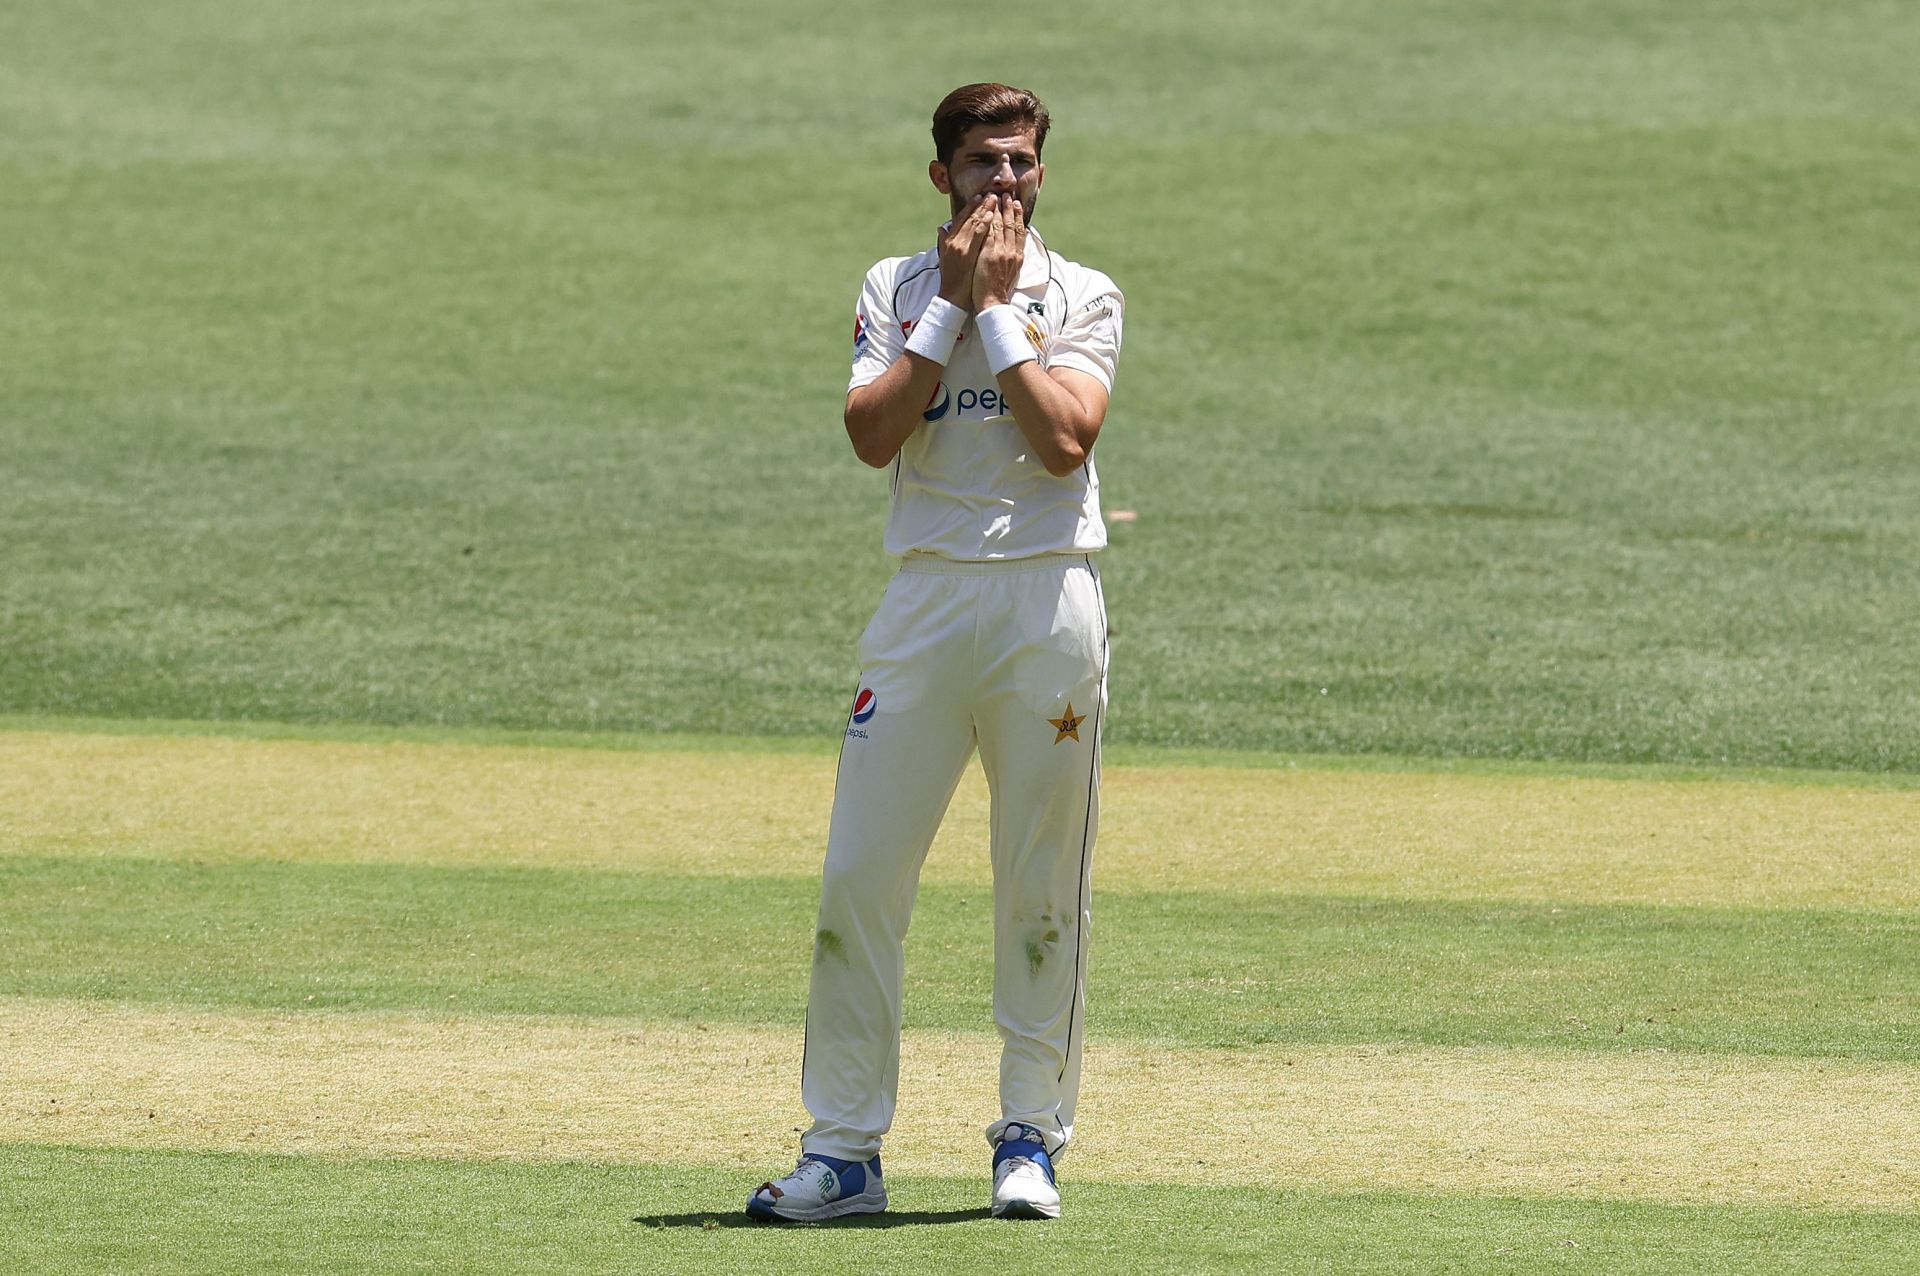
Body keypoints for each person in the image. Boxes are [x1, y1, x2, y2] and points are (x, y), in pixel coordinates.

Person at [746, 83, 1123, 1224]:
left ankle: (1028, 1140)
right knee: (860, 875)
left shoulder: (1086, 294)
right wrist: (948, 310)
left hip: (1047, 604)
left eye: (1018, 164)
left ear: (1043, 174)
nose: (1000, 184)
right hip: (922, 605)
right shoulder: (892, 286)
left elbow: (1064, 443)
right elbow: (871, 435)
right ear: (941, 177)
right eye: (979, 164)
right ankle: (845, 1151)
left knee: (1040, 884)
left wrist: (1000, 311)